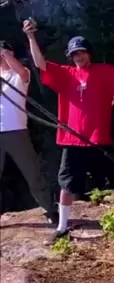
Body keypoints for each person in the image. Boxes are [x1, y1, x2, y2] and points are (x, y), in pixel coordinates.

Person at [23, 21, 114, 242]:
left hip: (99, 138)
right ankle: (62, 227)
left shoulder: (103, 71)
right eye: (74, 54)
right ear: (70, 57)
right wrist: (31, 37)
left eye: (82, 52)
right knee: (66, 183)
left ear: (89, 53)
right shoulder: (66, 74)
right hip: (73, 139)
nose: (79, 57)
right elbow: (40, 64)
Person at [0, 40, 58, 225]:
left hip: (17, 130)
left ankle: (49, 209)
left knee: (32, 171)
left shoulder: (19, 74)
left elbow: (23, 73)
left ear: (10, 53)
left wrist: (5, 54)